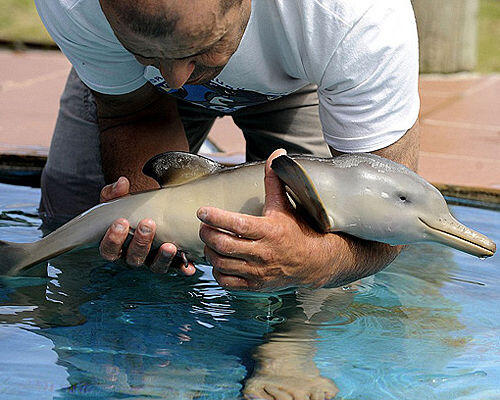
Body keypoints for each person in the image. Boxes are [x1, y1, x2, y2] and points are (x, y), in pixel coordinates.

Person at [35, 0, 420, 291]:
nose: (176, 79)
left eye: (202, 47)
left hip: (299, 75)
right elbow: (133, 112)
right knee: (72, 218)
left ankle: (285, 351)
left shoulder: (355, 17)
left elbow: (387, 218)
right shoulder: (73, 5)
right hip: (138, 92)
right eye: (146, 51)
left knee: (319, 244)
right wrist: (154, 218)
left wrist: (312, 260)